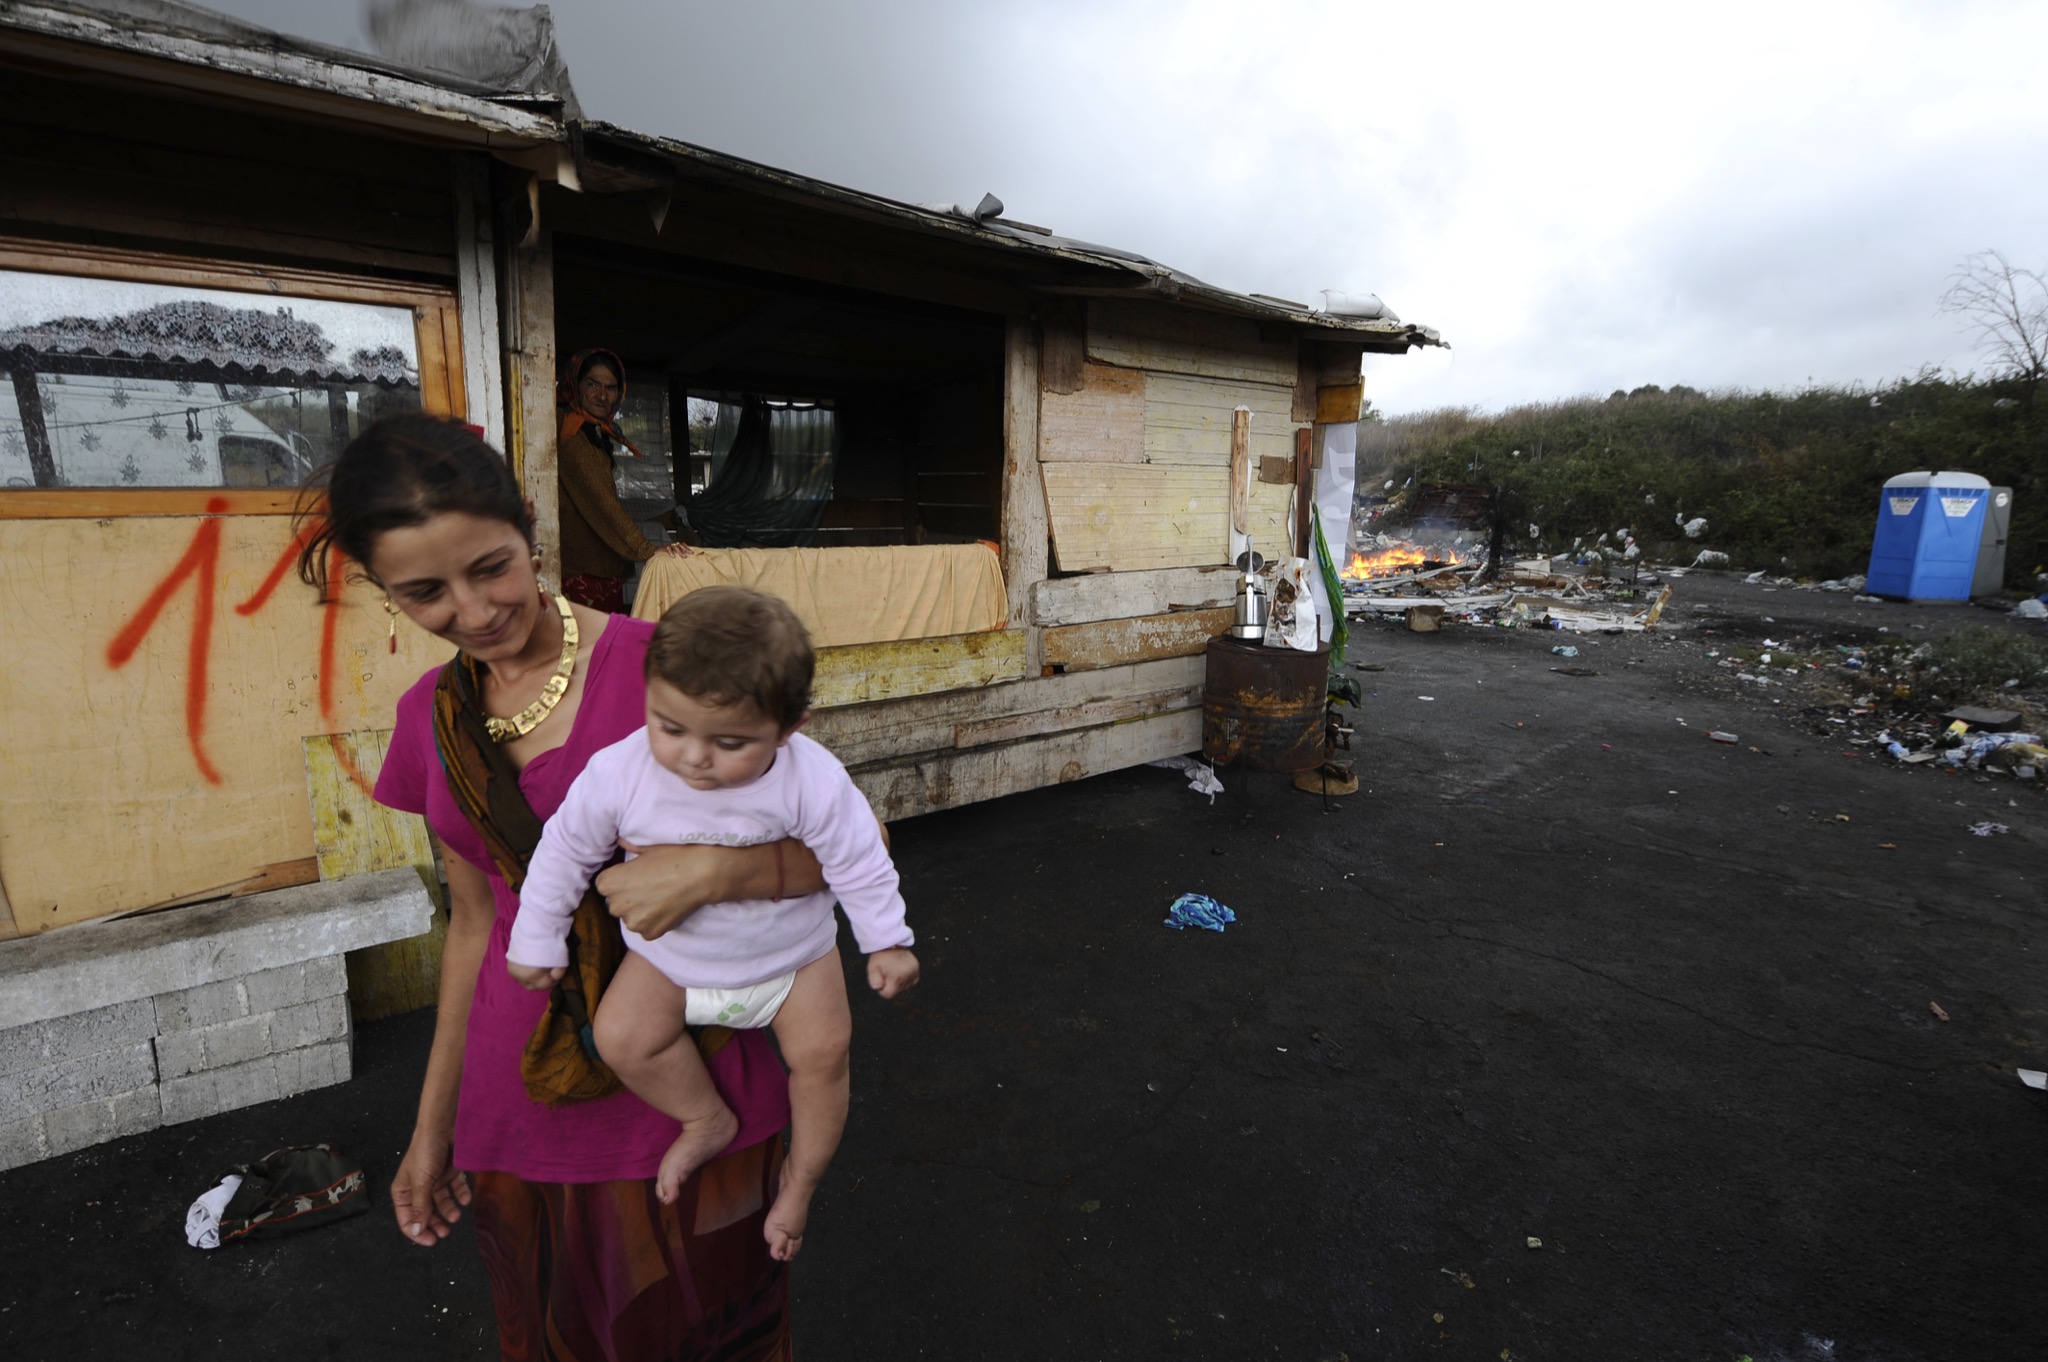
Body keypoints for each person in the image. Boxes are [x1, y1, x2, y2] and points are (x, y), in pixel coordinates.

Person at [297, 413, 828, 1360]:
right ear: (384, 592)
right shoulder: (430, 719)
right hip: (522, 1096)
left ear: (530, 529)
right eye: (425, 592)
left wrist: (719, 870)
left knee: (716, 1330)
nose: (474, 609)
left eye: (491, 567)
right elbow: (473, 928)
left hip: (698, 1077)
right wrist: (433, 1132)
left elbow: (845, 851)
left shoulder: (677, 665)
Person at [506, 586, 919, 1259]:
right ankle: (703, 1117)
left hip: (795, 960)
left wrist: (887, 940)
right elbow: (564, 853)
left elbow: (858, 855)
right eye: (670, 727)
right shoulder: (618, 774)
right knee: (622, 1036)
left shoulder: (809, 777)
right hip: (670, 962)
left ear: (790, 728)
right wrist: (536, 935)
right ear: (650, 697)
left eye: (729, 742)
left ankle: (801, 1181)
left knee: (824, 1060)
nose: (694, 757)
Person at [557, 347, 690, 613]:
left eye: (611, 387)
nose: (603, 395)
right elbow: (602, 503)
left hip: (600, 567)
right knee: (593, 649)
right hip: (583, 572)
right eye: (593, 384)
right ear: (575, 384)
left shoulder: (591, 429)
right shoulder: (570, 431)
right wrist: (648, 549)